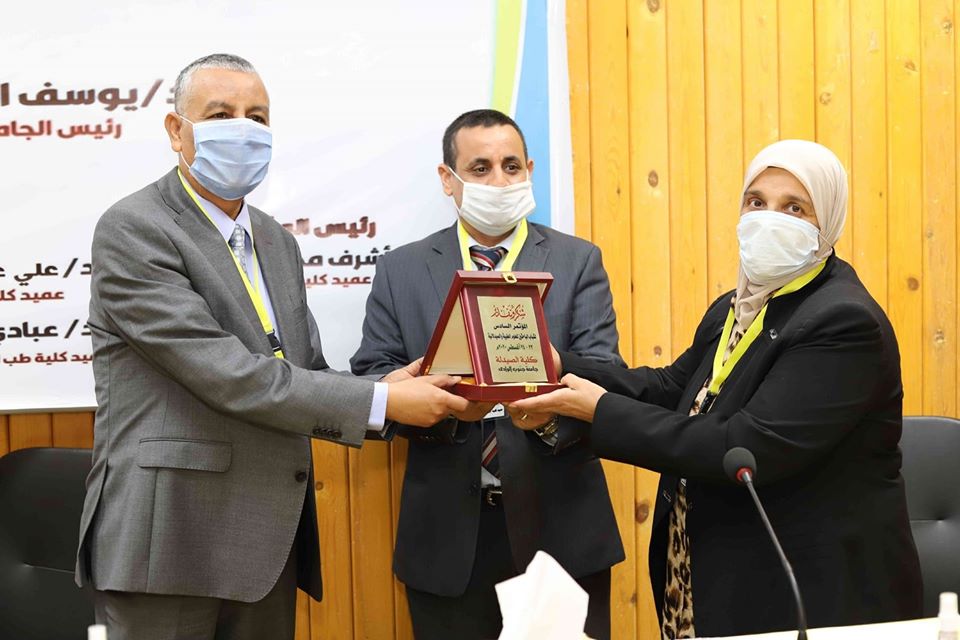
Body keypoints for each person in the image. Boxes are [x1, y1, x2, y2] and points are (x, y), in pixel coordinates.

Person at [74, 53, 468, 640]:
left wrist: (388, 389)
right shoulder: (136, 227)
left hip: (263, 540)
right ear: (176, 130)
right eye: (221, 114)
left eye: (257, 117)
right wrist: (383, 403)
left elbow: (303, 368)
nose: (243, 129)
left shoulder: (276, 243)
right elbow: (228, 373)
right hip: (170, 540)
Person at [507, 140, 923, 638]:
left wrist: (599, 410)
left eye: (794, 208)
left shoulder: (843, 321)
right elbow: (672, 389)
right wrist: (559, 366)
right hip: (714, 574)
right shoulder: (739, 305)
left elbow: (746, 445)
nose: (769, 219)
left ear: (828, 222)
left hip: (811, 596)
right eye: (756, 202)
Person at [350, 109, 625, 639]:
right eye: (480, 168)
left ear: (529, 170)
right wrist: (441, 409)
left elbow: (606, 375)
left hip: (562, 531)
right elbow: (375, 377)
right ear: (447, 179)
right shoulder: (401, 269)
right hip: (447, 540)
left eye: (511, 166)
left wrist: (545, 417)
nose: (499, 181)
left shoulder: (578, 261)